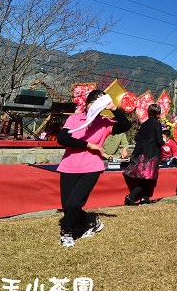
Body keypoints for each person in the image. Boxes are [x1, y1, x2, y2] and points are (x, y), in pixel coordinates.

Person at [56, 89, 131, 248]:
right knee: (67, 206)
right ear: (87, 104)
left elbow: (126, 125)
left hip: (91, 167)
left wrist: (114, 108)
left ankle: (67, 233)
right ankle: (91, 221)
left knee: (74, 203)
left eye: (100, 104)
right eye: (93, 103)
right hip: (69, 165)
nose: (95, 107)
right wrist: (88, 144)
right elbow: (62, 139)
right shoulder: (75, 119)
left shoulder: (104, 123)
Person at [123, 103, 164, 205]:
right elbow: (159, 140)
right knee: (147, 177)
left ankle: (145, 197)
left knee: (146, 177)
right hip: (151, 154)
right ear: (158, 114)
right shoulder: (157, 124)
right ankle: (131, 196)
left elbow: (137, 138)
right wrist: (163, 142)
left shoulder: (144, 124)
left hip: (140, 153)